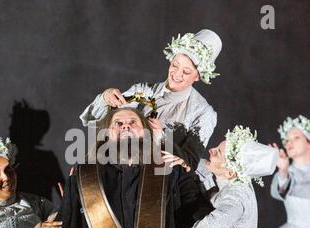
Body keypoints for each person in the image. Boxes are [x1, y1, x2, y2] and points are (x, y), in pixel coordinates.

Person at [0, 108, 255, 228]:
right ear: (107, 135)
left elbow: (197, 211)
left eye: (133, 122)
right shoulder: (83, 180)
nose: (126, 125)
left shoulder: (173, 173)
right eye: (118, 122)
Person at [79, 29, 222, 168]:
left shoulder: (203, 113)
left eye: (186, 71)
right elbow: (102, 118)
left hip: (160, 183)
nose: (177, 74)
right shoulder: (143, 91)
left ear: (198, 76)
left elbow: (189, 163)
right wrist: (106, 98)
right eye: (175, 65)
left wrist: (162, 138)